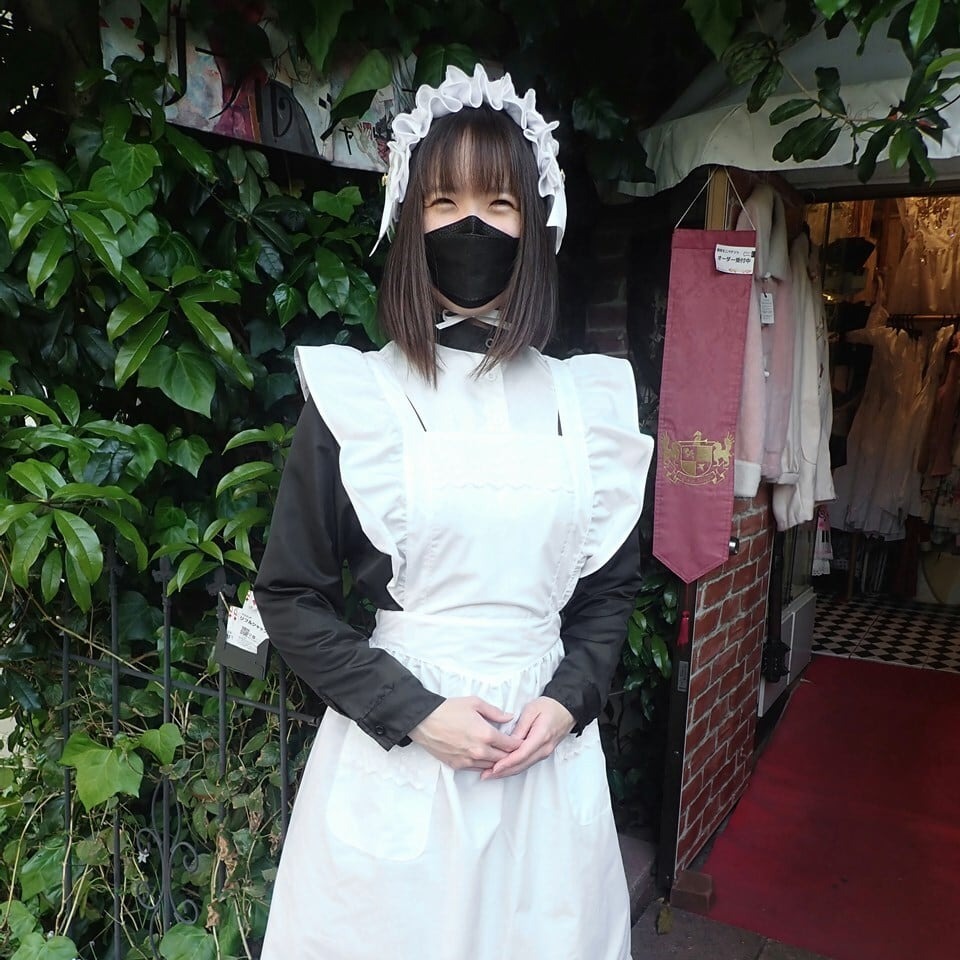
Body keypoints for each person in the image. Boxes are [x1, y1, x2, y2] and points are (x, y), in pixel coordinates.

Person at [253, 62, 654, 960]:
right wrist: (414, 711)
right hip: (400, 764)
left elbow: (607, 595)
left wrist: (568, 702)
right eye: (444, 202)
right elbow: (290, 595)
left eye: (499, 204)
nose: (471, 225)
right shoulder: (358, 399)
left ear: (535, 225)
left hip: (544, 771)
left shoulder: (585, 406)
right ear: (410, 221)